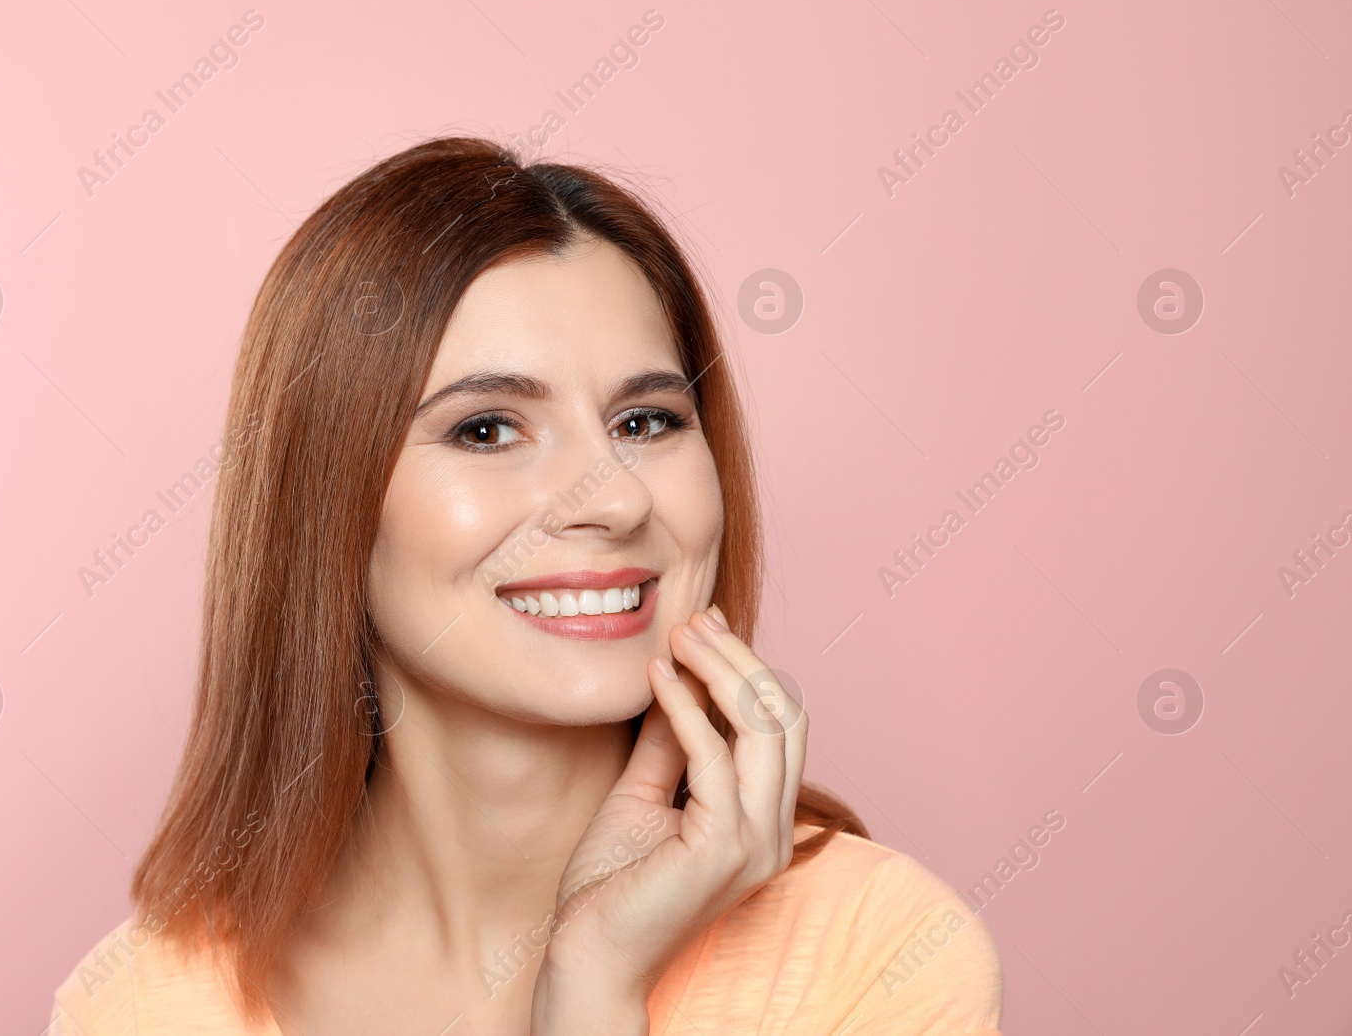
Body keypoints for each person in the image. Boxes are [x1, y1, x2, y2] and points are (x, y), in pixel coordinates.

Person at [49, 136, 1003, 1035]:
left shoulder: (875, 953)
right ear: (324, 501)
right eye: (486, 429)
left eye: (644, 421)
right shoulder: (140, 1004)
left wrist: (591, 983)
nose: (615, 498)